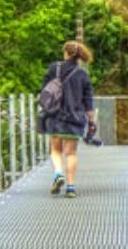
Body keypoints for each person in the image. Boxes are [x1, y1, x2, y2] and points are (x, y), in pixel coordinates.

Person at [38, 40, 94, 198]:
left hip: (55, 117)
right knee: (71, 153)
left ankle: (58, 174)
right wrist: (91, 119)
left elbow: (44, 91)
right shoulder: (83, 75)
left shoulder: (53, 69)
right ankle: (70, 187)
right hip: (74, 119)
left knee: (55, 150)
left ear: (66, 53)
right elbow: (88, 100)